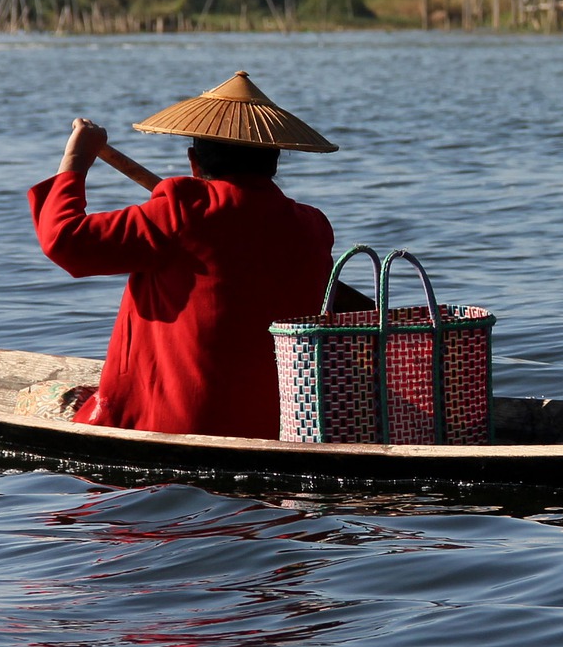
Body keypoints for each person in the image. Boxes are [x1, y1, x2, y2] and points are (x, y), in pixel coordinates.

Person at [29, 71, 337, 437]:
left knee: (34, 397)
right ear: (273, 164)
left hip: (173, 424)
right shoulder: (313, 226)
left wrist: (76, 160)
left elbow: (64, 241)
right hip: (277, 426)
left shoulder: (181, 211)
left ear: (194, 162)